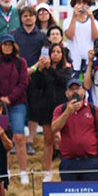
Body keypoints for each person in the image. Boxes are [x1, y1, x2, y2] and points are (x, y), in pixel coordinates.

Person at [28, 43, 72, 182]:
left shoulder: (67, 69)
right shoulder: (45, 69)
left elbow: (63, 81)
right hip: (47, 108)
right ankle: (47, 170)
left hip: (63, 108)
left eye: (59, 52)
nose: (55, 54)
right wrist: (40, 70)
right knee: (48, 139)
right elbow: (37, 85)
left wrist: (49, 69)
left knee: (65, 139)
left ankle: (66, 167)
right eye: (53, 52)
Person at [0, 34, 30, 184]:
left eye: (10, 44)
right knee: (1, 137)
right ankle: (4, 169)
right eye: (4, 44)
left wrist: (10, 98)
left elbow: (23, 83)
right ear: (0, 46)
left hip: (17, 103)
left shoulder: (21, 62)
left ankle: (23, 171)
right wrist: (0, 99)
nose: (7, 47)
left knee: (19, 137)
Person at [52, 78, 98, 181]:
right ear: (67, 93)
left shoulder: (93, 109)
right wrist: (67, 112)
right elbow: (54, 128)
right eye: (72, 89)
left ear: (83, 91)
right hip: (69, 162)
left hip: (90, 161)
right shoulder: (60, 110)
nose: (75, 91)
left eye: (78, 88)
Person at [13, 5, 47, 156]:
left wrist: (32, 69)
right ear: (21, 18)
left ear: (35, 18)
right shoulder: (14, 34)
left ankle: (31, 141)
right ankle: (15, 141)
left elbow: (44, 57)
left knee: (33, 109)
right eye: (25, 16)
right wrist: (21, 71)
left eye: (31, 16)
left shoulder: (41, 36)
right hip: (16, 77)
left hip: (35, 77)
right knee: (15, 107)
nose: (28, 18)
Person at [64, 0, 98, 74]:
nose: (82, 6)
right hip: (73, 59)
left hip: (89, 60)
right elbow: (69, 35)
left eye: (85, 3)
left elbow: (96, 37)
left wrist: (91, 17)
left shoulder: (95, 22)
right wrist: (74, 16)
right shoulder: (68, 21)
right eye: (79, 3)